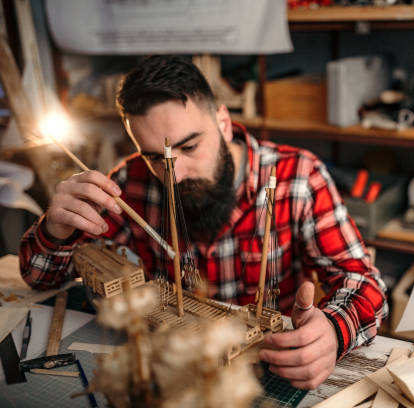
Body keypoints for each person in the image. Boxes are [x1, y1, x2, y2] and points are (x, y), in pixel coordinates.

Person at [19, 55, 388, 389]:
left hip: (266, 366)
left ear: (224, 123)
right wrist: (55, 231)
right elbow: (41, 280)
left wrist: (334, 332)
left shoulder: (299, 177)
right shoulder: (128, 184)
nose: (174, 176)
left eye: (190, 147)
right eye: (155, 158)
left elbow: (366, 283)